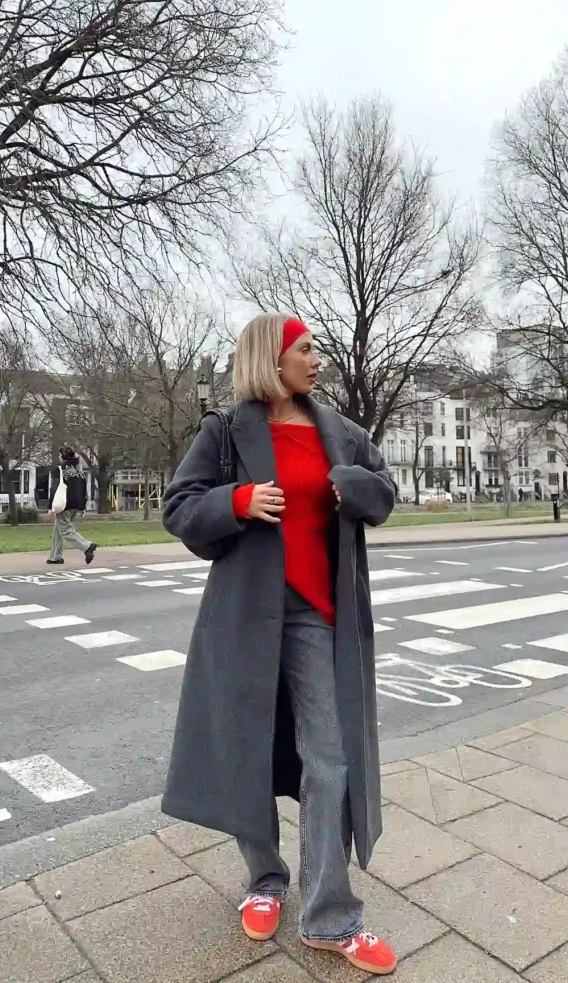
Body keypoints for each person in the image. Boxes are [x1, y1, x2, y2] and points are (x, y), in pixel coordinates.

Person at [162, 314, 398, 975]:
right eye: (305, 349)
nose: (316, 360)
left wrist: (352, 487)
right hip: (245, 619)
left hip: (318, 617)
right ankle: (264, 880)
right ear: (272, 357)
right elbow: (180, 505)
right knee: (245, 756)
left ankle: (330, 917)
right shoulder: (226, 432)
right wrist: (235, 501)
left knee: (328, 759)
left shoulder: (341, 433)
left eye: (316, 350)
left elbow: (383, 494)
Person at [47, 446, 98, 566]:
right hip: (76, 505)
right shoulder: (79, 471)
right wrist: (82, 507)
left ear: (63, 457)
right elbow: (83, 489)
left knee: (65, 530)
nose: (58, 457)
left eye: (60, 455)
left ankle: (87, 546)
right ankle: (55, 557)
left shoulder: (60, 470)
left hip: (65, 504)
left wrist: (51, 507)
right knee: (58, 529)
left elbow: (54, 489)